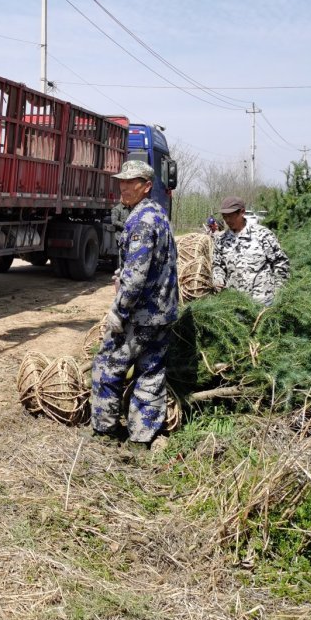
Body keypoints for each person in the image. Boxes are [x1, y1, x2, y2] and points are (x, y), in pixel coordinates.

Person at [90, 160, 179, 453]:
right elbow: (155, 266)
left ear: (147, 186)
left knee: (107, 366)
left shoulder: (141, 220)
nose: (124, 187)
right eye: (122, 182)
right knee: (151, 372)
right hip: (162, 312)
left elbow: (137, 276)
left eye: (132, 183)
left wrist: (119, 312)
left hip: (140, 315)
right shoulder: (159, 216)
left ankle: (105, 432)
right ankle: (141, 439)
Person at [211, 195, 289, 305]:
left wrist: (279, 293)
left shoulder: (262, 235)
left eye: (230, 216)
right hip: (234, 303)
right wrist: (218, 280)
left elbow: (280, 263)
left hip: (263, 302)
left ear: (242, 212)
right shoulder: (221, 240)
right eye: (224, 216)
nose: (227, 220)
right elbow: (218, 266)